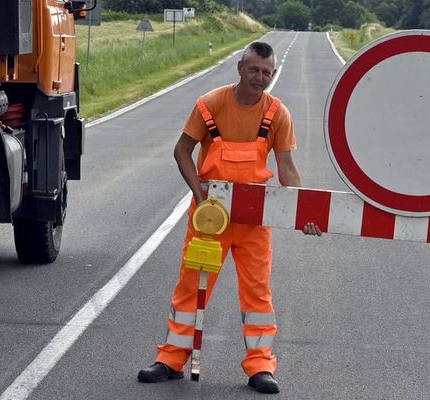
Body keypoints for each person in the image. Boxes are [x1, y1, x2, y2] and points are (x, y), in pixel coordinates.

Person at [138, 41, 322, 394]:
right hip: (210, 220)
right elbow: (182, 150)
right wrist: (198, 191)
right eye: (254, 69)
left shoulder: (277, 113)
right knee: (191, 286)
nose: (260, 77)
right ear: (240, 68)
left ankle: (260, 367)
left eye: (267, 72)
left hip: (254, 221)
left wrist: (306, 213)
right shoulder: (211, 103)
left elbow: (287, 169)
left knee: (257, 294)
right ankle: (171, 359)